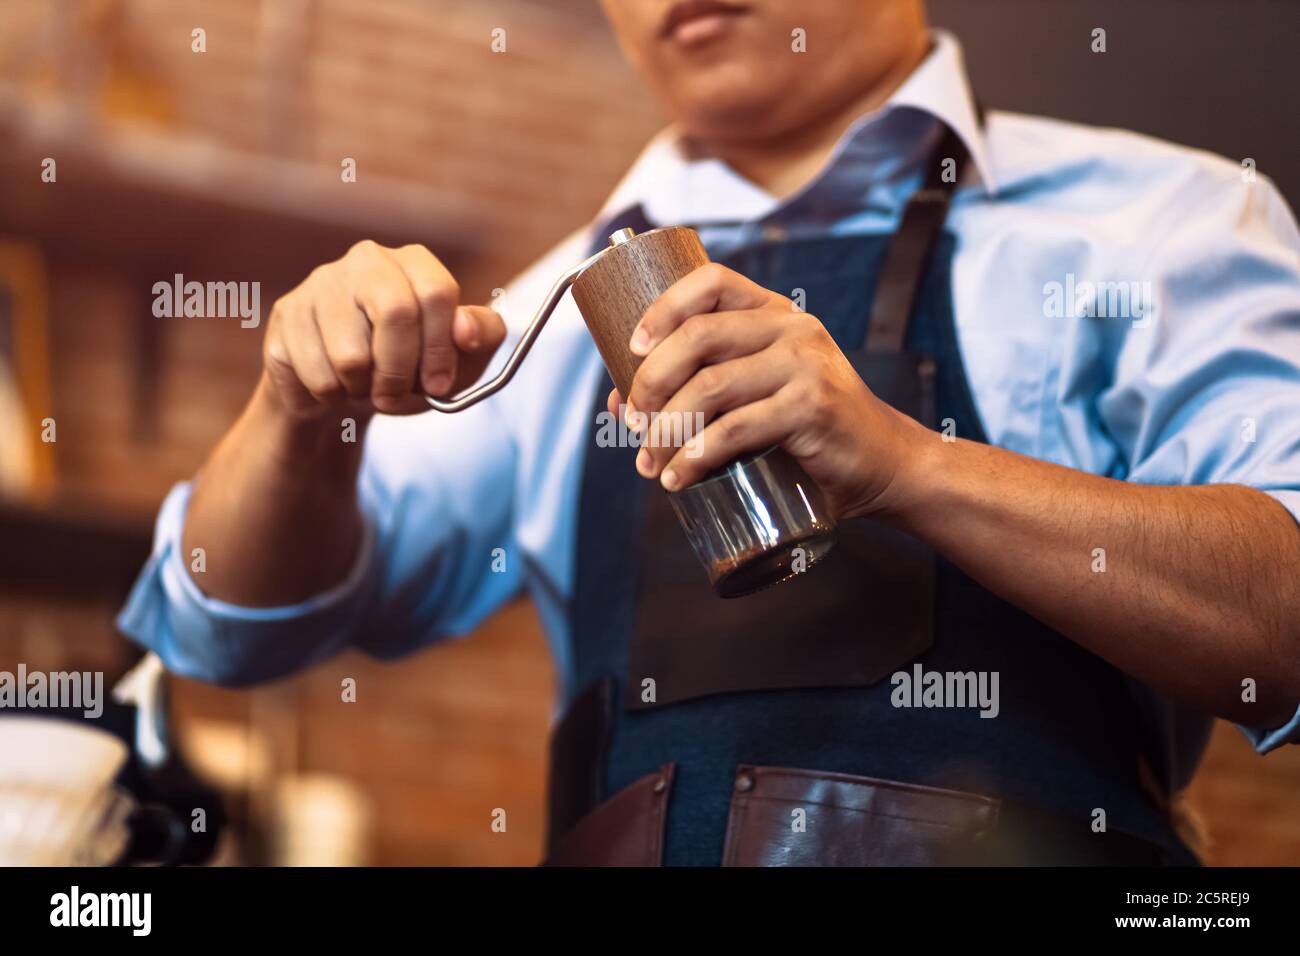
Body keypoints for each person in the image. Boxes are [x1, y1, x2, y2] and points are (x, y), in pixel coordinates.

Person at [119, 0, 1300, 865]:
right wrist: (294, 415)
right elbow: (225, 627)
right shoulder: (544, 314)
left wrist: (906, 464)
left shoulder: (1159, 226)